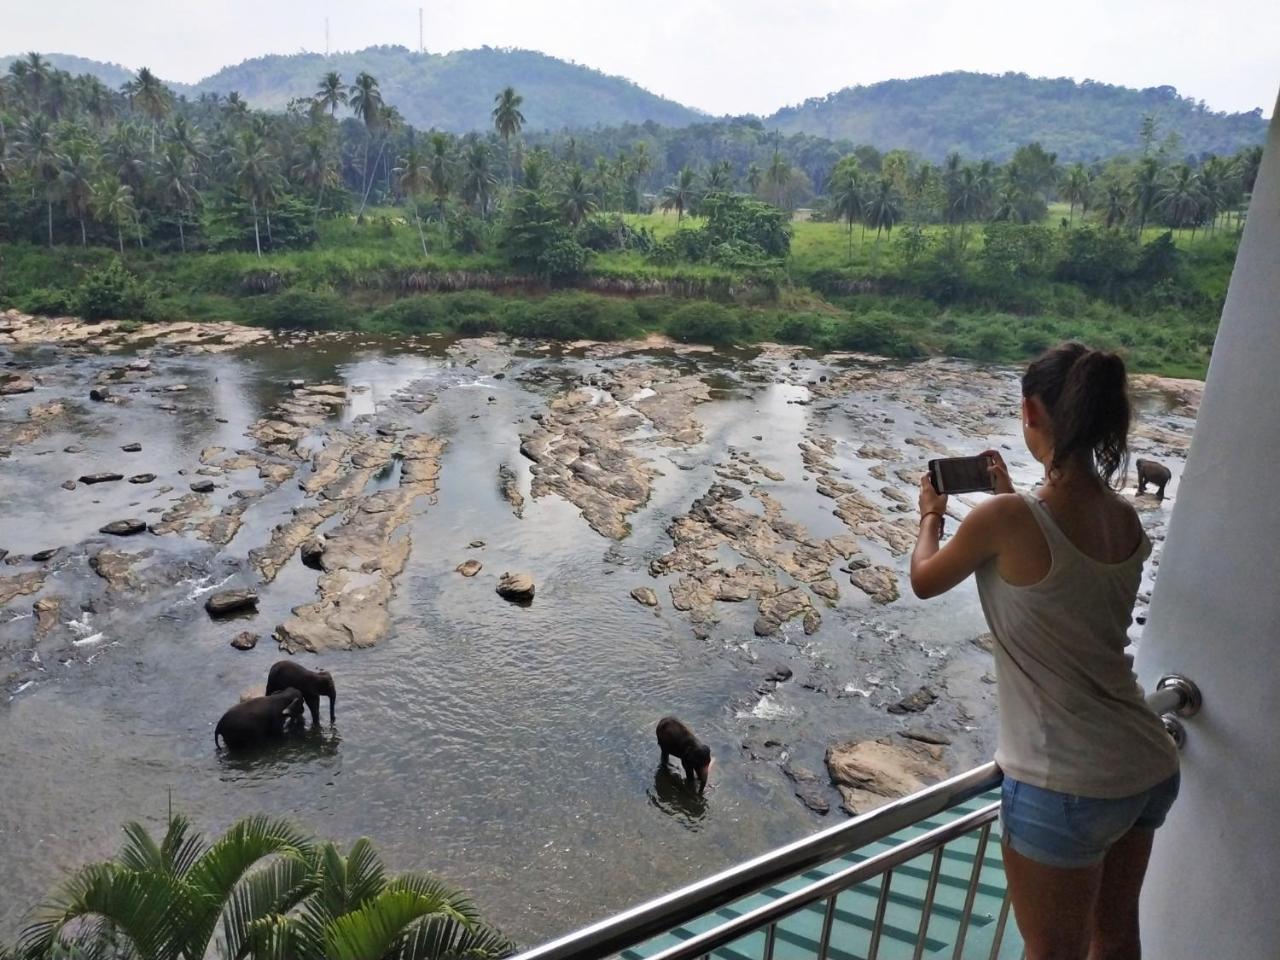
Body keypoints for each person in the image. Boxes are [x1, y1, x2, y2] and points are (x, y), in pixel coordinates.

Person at [909, 342, 1179, 960]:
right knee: (1114, 937)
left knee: (1051, 951)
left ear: (1031, 410)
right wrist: (1009, 493)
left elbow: (924, 580)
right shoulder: (1124, 518)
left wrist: (931, 515)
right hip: (1146, 763)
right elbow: (1063, 572)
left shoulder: (1008, 518)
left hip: (1065, 780)